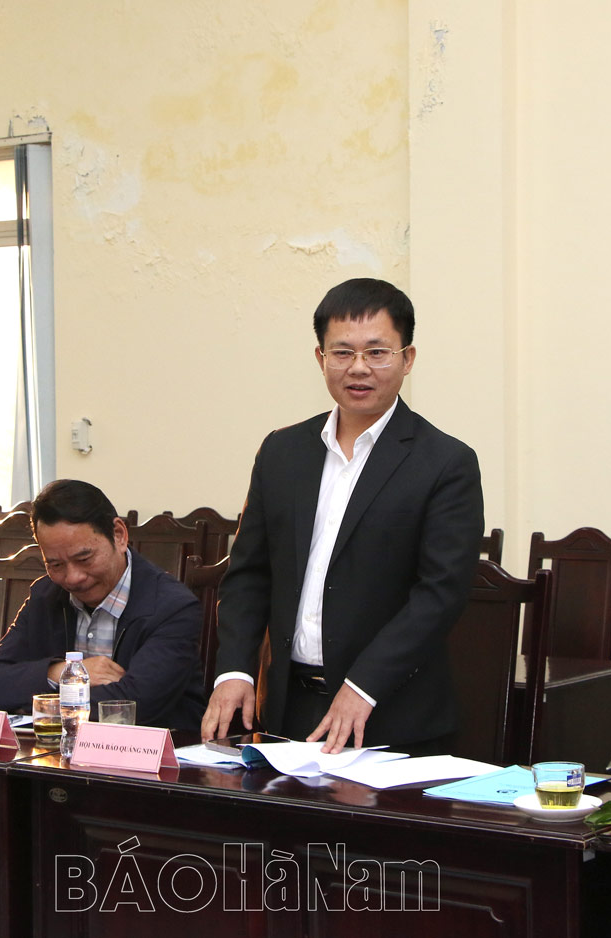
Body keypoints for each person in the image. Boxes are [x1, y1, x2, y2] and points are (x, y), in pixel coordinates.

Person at [201, 277, 484, 755]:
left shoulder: (445, 462)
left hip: (390, 715)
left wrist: (364, 685)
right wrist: (235, 671)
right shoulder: (282, 452)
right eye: (342, 352)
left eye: (377, 352)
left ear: (407, 358)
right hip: (287, 710)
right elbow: (248, 574)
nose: (358, 368)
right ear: (321, 358)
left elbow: (440, 593)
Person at [0, 479, 206, 730]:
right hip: (59, 748)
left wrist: (39, 700)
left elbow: (137, 704)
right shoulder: (46, 595)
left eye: (84, 559)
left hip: (156, 748)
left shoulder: (172, 606)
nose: (73, 578)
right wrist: (65, 673)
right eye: (56, 565)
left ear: (119, 535)